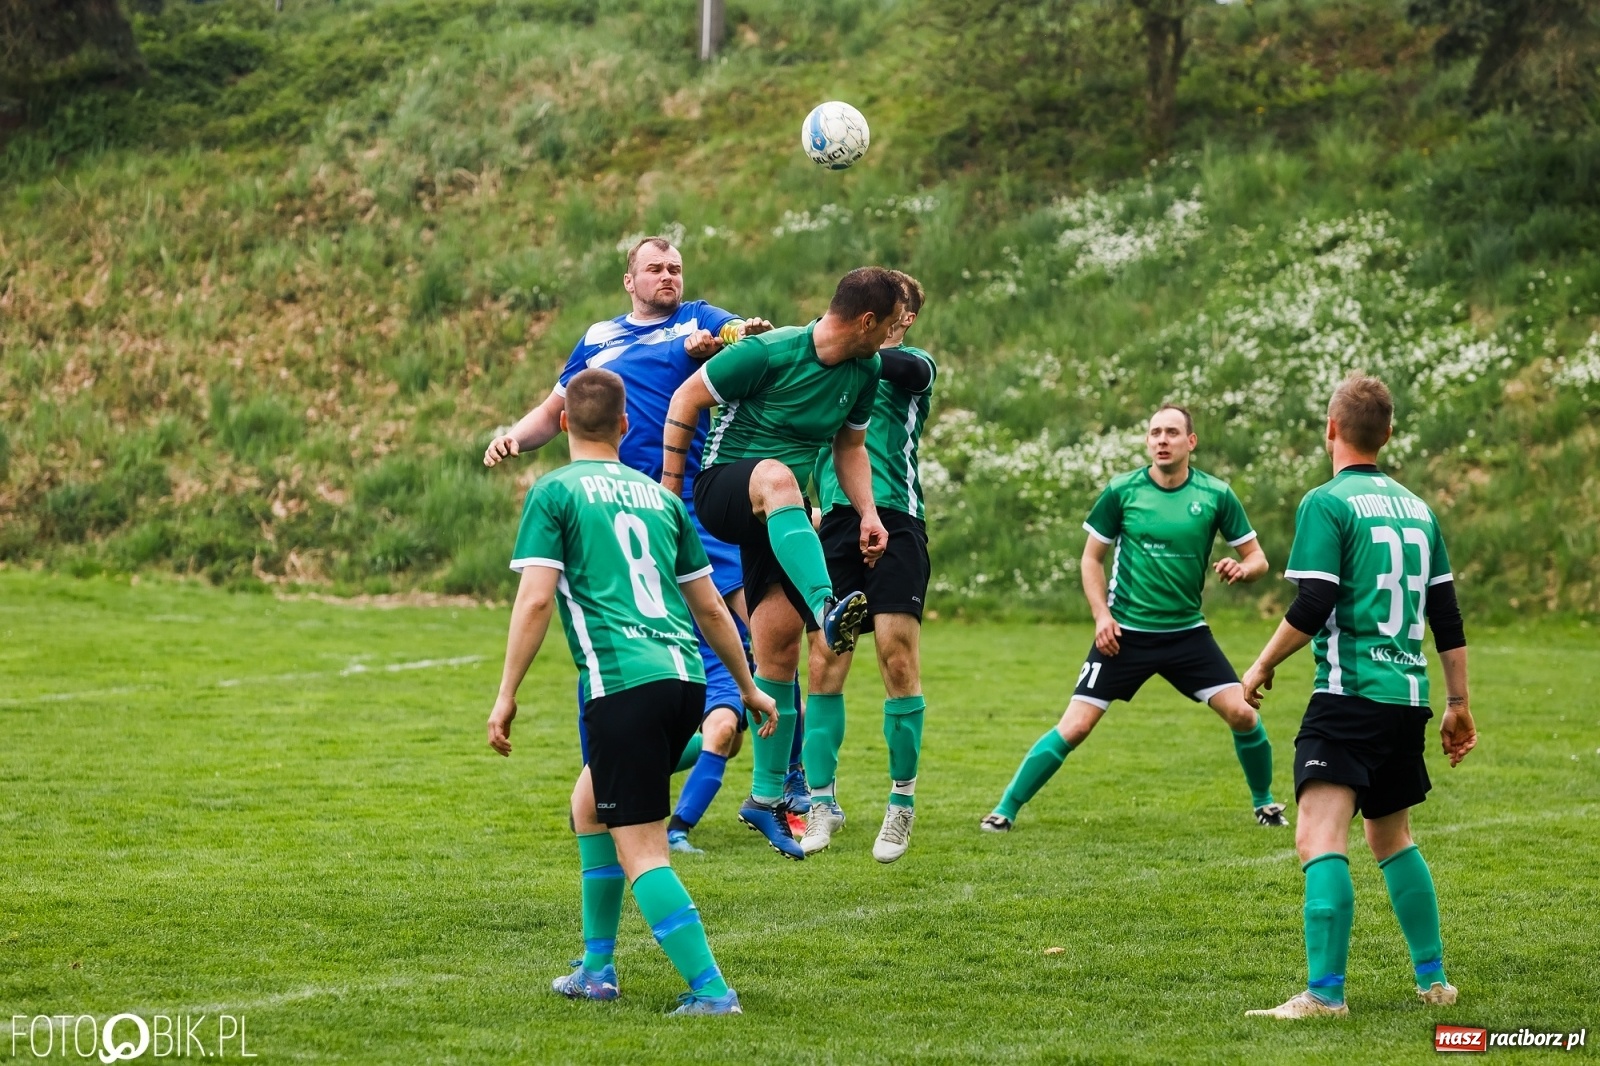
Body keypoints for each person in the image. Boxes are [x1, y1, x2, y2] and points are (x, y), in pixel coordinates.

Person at [486, 368, 778, 1017]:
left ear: (563, 423)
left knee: (640, 846)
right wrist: (750, 687)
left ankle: (711, 990)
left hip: (624, 685)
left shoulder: (555, 491)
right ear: (626, 426)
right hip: (685, 680)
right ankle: (596, 968)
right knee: (589, 806)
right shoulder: (663, 500)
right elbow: (710, 610)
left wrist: (506, 694)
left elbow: (536, 600)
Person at [484, 236, 774, 855]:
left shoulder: (699, 319)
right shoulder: (599, 336)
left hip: (685, 510)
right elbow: (555, 408)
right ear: (629, 280)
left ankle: (765, 791)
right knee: (614, 659)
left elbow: (743, 337)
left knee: (736, 643)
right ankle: (613, 792)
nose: (668, 277)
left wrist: (725, 340)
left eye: (675, 268)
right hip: (607, 512)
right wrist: (513, 436)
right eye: (655, 269)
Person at [1242, 373, 1476, 1020]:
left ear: (1331, 429)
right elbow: (1447, 617)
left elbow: (1314, 602)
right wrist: (1457, 704)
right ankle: (1433, 980)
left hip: (1348, 695)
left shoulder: (1328, 502)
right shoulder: (1419, 510)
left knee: (1319, 836)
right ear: (1390, 434)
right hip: (1408, 697)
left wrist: (1259, 665)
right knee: (1393, 836)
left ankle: (1324, 995)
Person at [662, 266, 901, 860]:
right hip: (725, 488)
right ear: (867, 320)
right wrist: (670, 492)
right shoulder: (768, 353)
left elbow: (849, 447)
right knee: (776, 474)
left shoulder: (865, 369)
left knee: (778, 646)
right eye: (894, 322)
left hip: (783, 510)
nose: (900, 333)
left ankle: (765, 799)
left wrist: (869, 513)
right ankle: (827, 602)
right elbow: (686, 397)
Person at [981, 404, 1284, 832]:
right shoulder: (1122, 491)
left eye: (1172, 433)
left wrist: (1242, 569)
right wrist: (1102, 616)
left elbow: (1258, 560)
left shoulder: (1216, 495)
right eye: (1155, 432)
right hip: (1124, 634)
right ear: (1148, 441)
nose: (1162, 440)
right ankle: (1004, 810)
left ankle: (1265, 803)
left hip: (1186, 635)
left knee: (1243, 714)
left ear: (1190, 442)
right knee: (1076, 726)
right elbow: (1091, 559)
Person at [799, 271, 936, 863]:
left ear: (901, 318)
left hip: (897, 519)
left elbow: (902, 370)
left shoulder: (914, 366)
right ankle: (822, 803)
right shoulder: (830, 367)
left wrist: (852, 344)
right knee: (826, 660)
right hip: (834, 523)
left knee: (895, 656)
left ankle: (900, 805)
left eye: (896, 309)